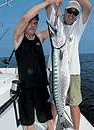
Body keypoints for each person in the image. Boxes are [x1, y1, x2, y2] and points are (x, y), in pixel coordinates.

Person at [45, 0, 92, 130]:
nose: (72, 14)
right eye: (70, 11)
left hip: (73, 72)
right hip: (55, 72)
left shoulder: (77, 27)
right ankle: (52, 127)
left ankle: (76, 129)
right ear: (65, 11)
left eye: (75, 12)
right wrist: (56, 5)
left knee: (74, 104)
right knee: (54, 103)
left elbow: (88, 7)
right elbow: (47, 5)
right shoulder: (57, 22)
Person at [13, 1, 58, 130]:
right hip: (25, 88)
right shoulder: (18, 38)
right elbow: (26, 17)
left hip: (41, 86)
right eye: (31, 23)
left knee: (49, 119)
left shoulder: (40, 37)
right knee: (29, 122)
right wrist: (48, 2)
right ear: (26, 24)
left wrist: (57, 9)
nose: (33, 26)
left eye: (35, 23)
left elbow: (55, 28)